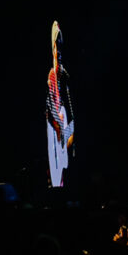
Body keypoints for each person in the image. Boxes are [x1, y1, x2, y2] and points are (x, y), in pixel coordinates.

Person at [46, 21, 74, 187]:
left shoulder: (64, 75)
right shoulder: (53, 76)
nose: (59, 53)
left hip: (64, 133)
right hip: (58, 134)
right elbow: (52, 108)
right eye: (57, 49)